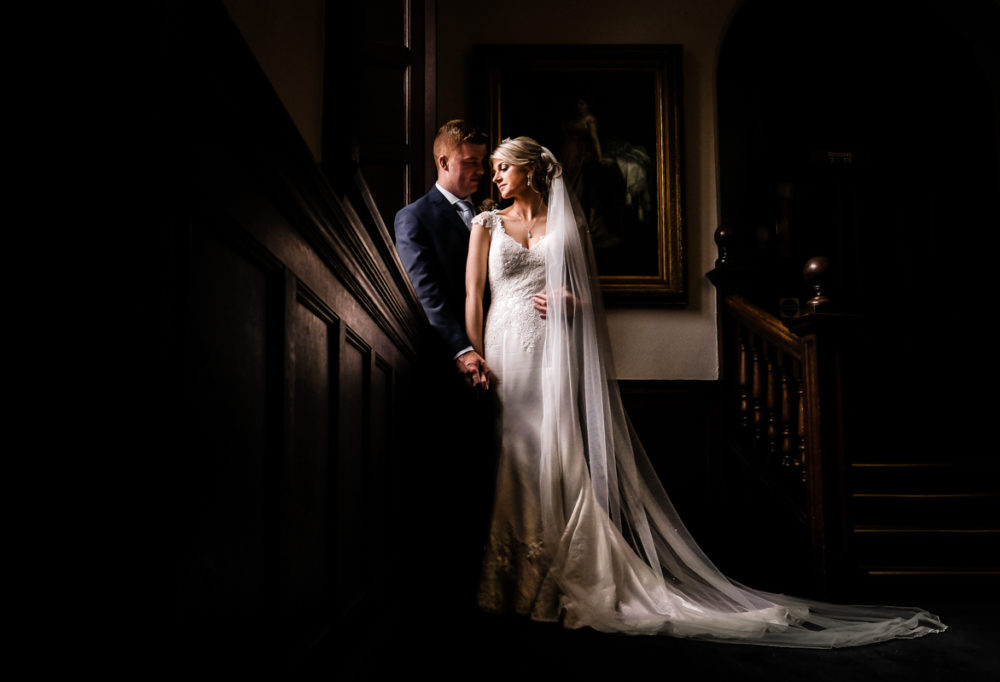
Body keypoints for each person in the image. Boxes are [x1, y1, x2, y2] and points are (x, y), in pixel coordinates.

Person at [463, 136, 946, 647]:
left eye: (502, 169)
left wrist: (569, 299)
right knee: (514, 454)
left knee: (558, 455)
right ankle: (512, 580)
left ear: (529, 172)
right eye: (493, 169)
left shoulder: (567, 224)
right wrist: (477, 358)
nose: (495, 178)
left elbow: (586, 295)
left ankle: (556, 578)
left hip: (552, 352)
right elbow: (474, 295)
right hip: (502, 350)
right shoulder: (486, 224)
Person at [393, 119, 495, 614]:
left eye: (483, 161)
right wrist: (462, 350)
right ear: (443, 162)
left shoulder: (489, 214)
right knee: (458, 481)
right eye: (471, 163)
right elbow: (429, 292)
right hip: (449, 369)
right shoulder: (414, 217)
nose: (480, 171)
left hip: (506, 355)